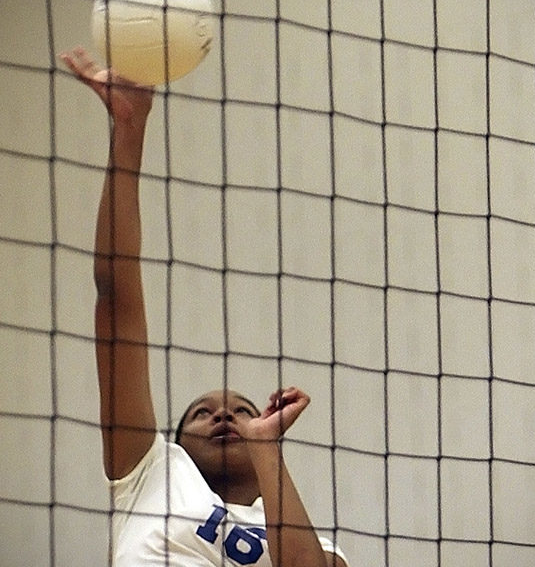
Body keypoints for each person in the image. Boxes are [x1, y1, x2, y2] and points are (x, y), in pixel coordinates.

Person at [60, 47, 348, 567]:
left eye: (242, 410)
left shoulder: (319, 545)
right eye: (201, 412)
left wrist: (265, 446)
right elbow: (115, 295)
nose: (223, 414)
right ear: (175, 442)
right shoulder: (148, 472)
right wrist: (130, 133)